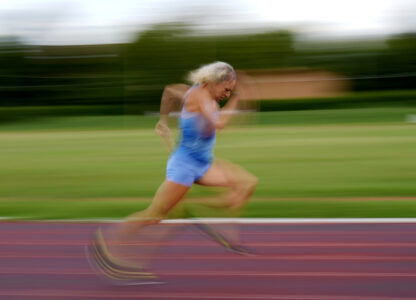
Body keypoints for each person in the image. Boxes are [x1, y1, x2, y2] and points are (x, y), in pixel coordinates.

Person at [88, 61, 258, 285]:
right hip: (184, 166)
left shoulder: (203, 96)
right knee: (155, 215)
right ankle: (106, 243)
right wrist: (238, 99)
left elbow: (169, 91)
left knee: (246, 183)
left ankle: (212, 221)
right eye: (226, 89)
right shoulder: (198, 95)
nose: (228, 94)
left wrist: (163, 121)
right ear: (214, 82)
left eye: (230, 91)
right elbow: (219, 124)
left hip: (204, 165)